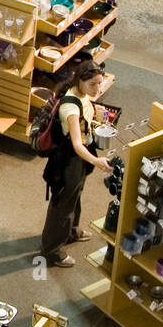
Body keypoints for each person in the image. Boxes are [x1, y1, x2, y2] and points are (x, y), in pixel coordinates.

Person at [38, 60, 112, 269]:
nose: (97, 89)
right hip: (68, 160)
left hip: (79, 158)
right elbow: (77, 144)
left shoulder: (82, 95)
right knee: (62, 204)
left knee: (76, 194)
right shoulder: (70, 107)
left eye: (99, 83)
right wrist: (97, 161)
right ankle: (51, 250)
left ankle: (72, 230)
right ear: (80, 81)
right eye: (93, 85)